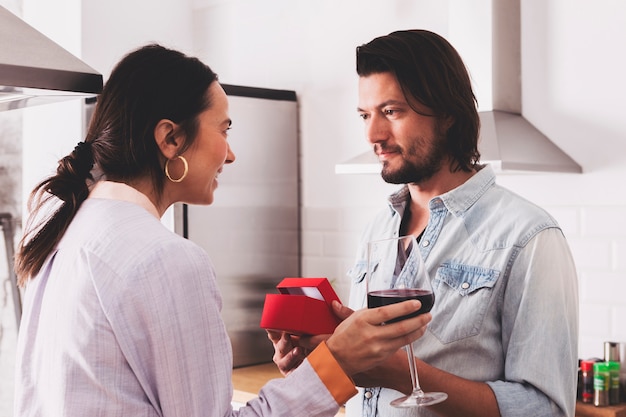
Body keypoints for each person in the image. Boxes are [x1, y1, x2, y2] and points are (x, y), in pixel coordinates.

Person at [12, 43, 433, 417]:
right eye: (224, 128)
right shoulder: (166, 258)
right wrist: (338, 361)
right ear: (170, 140)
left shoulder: (67, 227)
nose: (230, 154)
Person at [270, 29, 579, 417]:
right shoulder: (377, 230)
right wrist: (317, 368)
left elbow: (546, 410)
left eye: (392, 112)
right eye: (365, 115)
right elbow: (361, 380)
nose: (373, 135)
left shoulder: (528, 237)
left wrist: (401, 374)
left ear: (447, 114)